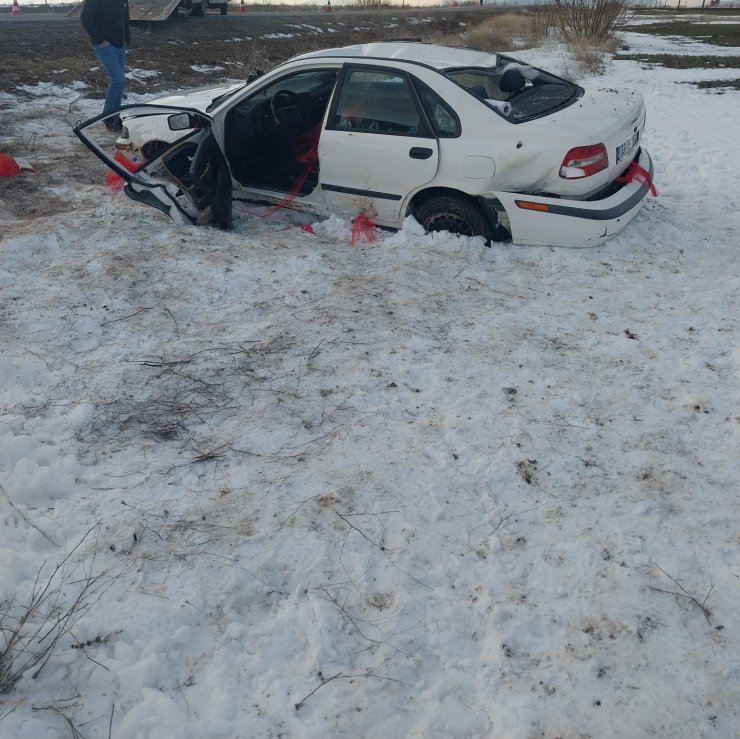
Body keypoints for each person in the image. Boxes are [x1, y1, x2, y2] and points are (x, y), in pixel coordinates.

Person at [81, 0, 131, 132]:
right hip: (104, 45)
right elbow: (86, 18)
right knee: (118, 79)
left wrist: (127, 37)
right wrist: (100, 40)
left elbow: (125, 18)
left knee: (120, 82)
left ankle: (115, 116)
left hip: (120, 44)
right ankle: (107, 117)